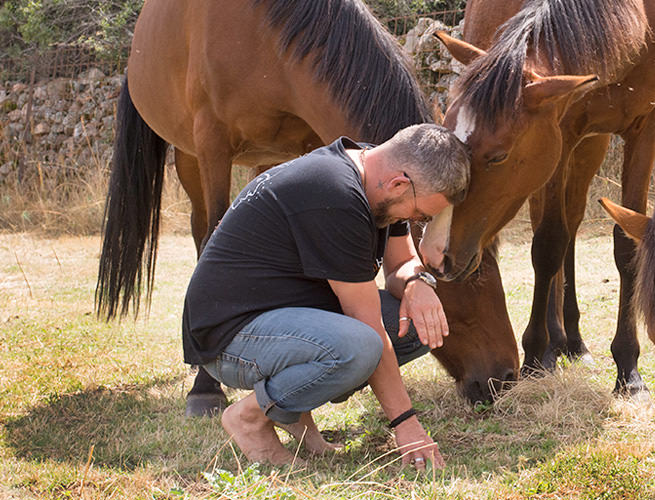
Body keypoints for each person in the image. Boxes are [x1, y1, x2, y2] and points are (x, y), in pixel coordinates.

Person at [181, 123, 469, 469]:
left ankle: (292, 412)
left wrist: (418, 285)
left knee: (418, 324)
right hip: (229, 335)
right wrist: (405, 423)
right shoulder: (337, 196)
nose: (417, 221)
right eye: (420, 214)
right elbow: (368, 326)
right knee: (359, 346)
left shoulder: (378, 172)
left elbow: (403, 263)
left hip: (282, 319)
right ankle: (249, 417)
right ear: (399, 185)